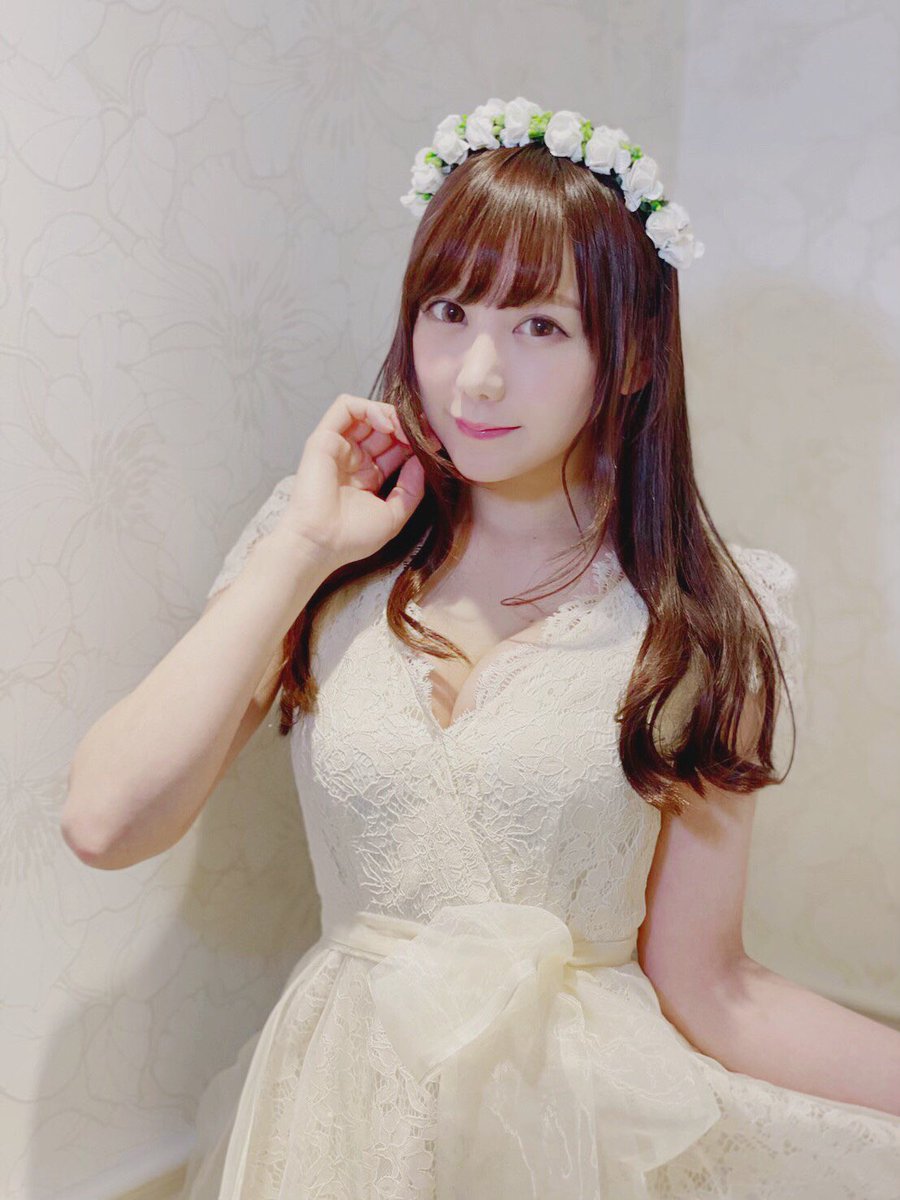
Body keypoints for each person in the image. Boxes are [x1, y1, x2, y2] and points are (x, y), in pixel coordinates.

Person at [63, 98, 900, 1198]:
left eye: (542, 326)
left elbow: (712, 987)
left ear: (631, 356)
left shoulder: (704, 619)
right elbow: (106, 822)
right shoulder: (325, 554)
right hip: (334, 1126)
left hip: (581, 1142)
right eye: (449, 311)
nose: (477, 375)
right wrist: (302, 549)